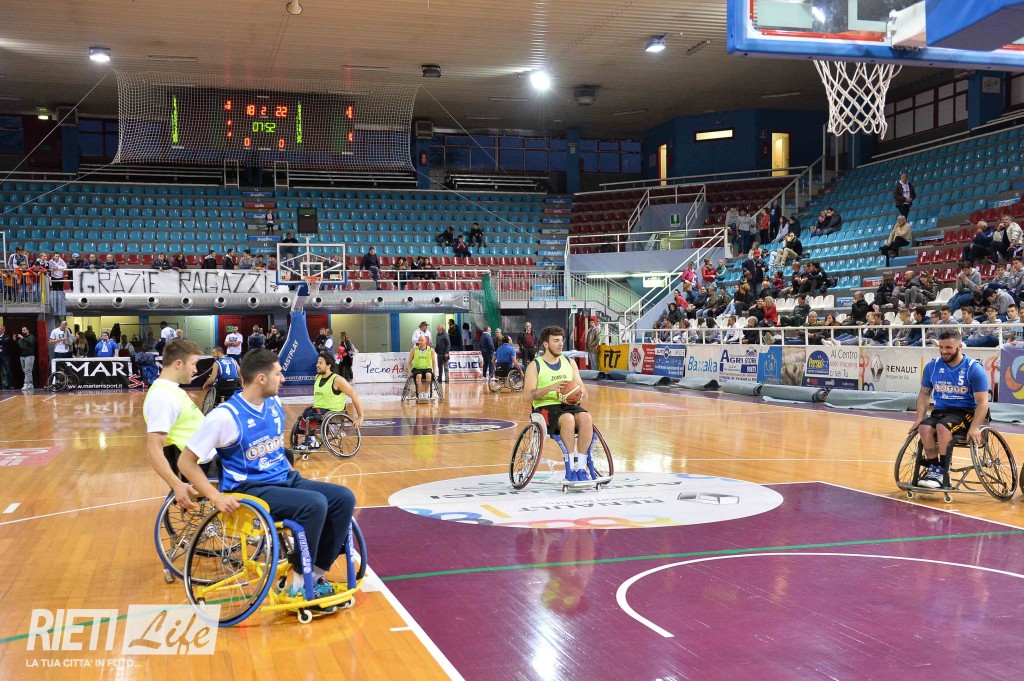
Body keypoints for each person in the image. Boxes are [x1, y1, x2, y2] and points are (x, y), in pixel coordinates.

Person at [178, 350, 357, 611]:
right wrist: (216, 497)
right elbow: (186, 462)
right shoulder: (224, 416)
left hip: (283, 479)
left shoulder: (274, 404)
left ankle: (316, 575)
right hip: (252, 488)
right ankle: (298, 584)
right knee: (315, 504)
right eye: (278, 374)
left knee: (343, 498)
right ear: (261, 378)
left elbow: (275, 448)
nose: (282, 379)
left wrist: (289, 471)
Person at [909, 329, 989, 489]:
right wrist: (919, 417)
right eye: (941, 347)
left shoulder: (973, 369)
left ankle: (945, 472)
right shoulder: (932, 367)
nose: (944, 351)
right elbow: (924, 394)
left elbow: (983, 403)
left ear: (960, 347)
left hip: (965, 412)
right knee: (924, 428)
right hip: (941, 411)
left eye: (948, 348)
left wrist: (975, 428)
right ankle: (935, 469)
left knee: (942, 427)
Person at [143, 339, 210, 513]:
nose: (195, 370)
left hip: (209, 457)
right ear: (178, 364)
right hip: (205, 466)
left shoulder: (172, 391)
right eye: (193, 364)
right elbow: (153, 449)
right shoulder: (163, 397)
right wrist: (176, 484)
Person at [524, 325, 593, 482]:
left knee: (586, 417)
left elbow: (582, 387)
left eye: (561, 340)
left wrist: (580, 392)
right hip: (544, 407)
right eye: (556, 341)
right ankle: (570, 469)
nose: (560, 344)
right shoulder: (535, 365)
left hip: (568, 405)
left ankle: (581, 468)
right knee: (568, 419)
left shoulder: (569, 363)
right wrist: (550, 388)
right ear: (546, 344)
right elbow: (528, 396)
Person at [295, 353, 365, 451]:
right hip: (321, 411)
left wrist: (360, 416)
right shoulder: (317, 378)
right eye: (317, 362)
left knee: (311, 413)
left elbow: (354, 395)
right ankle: (306, 438)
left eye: (320, 363)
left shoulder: (337, 380)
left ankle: (311, 441)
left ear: (328, 365)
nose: (317, 365)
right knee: (307, 411)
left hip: (335, 412)